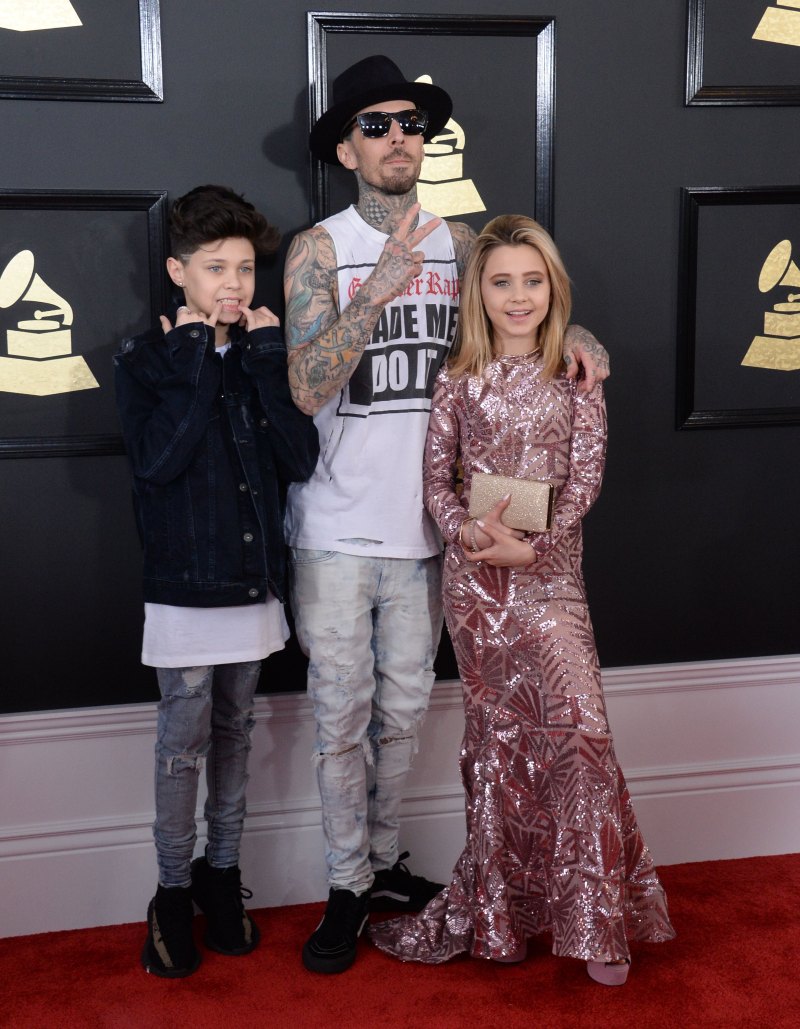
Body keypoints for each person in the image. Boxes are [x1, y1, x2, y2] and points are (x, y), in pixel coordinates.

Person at [282, 55, 610, 975]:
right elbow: (306, 389)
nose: (398, 138)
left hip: (442, 535)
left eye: (410, 124)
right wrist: (378, 287)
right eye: (377, 126)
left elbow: (531, 309)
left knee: (403, 717)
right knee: (341, 716)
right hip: (339, 528)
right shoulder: (320, 247)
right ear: (347, 146)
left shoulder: (462, 243)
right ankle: (346, 886)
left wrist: (581, 338)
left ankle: (384, 866)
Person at [370, 215, 675, 985]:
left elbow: (586, 478)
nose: (517, 296)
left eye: (532, 281)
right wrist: (466, 530)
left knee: (583, 735)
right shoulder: (457, 378)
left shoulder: (576, 371)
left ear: (553, 287)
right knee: (499, 746)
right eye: (501, 281)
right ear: (480, 290)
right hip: (478, 587)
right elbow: (437, 481)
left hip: (550, 578)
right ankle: (501, 917)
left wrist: (534, 548)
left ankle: (597, 924)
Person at [114, 185, 319, 978]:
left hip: (253, 582)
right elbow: (159, 461)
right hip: (183, 589)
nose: (233, 284)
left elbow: (300, 461)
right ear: (178, 272)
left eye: (243, 268)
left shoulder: (264, 353)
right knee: (182, 742)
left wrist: (266, 360)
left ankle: (221, 873)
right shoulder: (147, 360)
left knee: (237, 730)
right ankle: (171, 890)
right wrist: (198, 351)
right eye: (213, 268)